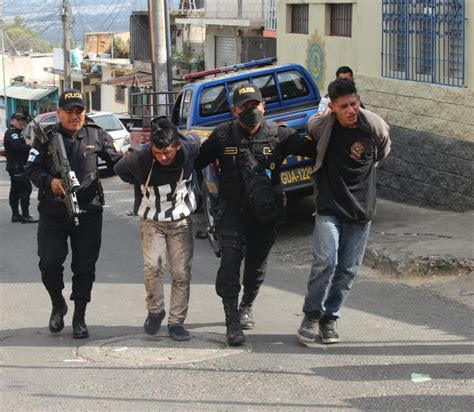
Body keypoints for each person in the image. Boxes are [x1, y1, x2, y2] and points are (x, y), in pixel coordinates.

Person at [195, 83, 316, 346]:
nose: (251, 110)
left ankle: (246, 304)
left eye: (255, 104)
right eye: (244, 106)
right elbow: (194, 162)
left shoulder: (278, 134)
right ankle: (232, 323)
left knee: (255, 265)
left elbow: (315, 150)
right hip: (231, 212)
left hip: (266, 213)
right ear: (234, 110)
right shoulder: (222, 136)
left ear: (264, 106)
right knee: (229, 264)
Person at [297, 78, 391, 345]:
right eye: (344, 106)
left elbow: (383, 151)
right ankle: (311, 315)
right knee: (326, 262)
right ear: (332, 107)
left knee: (348, 270)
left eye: (353, 103)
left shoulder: (372, 126)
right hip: (329, 207)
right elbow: (310, 126)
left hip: (361, 209)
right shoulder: (323, 124)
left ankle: (330, 319)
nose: (351, 110)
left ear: (358, 100)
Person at [26, 89, 123, 339]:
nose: (74, 116)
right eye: (69, 112)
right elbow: (32, 169)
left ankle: (79, 316)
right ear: (59, 113)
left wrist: (140, 165)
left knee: (84, 267)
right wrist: (50, 182)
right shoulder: (46, 138)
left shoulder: (96, 133)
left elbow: (118, 163)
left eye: (79, 111)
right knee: (49, 264)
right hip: (53, 212)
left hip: (88, 212)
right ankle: (58, 303)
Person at [114, 117, 200, 341]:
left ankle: (176, 322)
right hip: (151, 220)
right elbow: (119, 169)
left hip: (181, 220)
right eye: (157, 152)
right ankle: (155, 311)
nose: (162, 157)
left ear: (177, 146)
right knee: (153, 267)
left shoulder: (190, 149)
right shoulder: (139, 158)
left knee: (181, 273)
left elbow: (197, 139)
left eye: (168, 153)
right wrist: (139, 182)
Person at [4, 112, 38, 223]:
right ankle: (25, 215)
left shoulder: (18, 133)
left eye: (22, 120)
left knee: (16, 190)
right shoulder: (12, 133)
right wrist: (29, 146)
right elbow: (17, 146)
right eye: (18, 120)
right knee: (25, 189)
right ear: (12, 121)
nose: (21, 122)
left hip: (17, 166)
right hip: (17, 167)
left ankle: (16, 215)